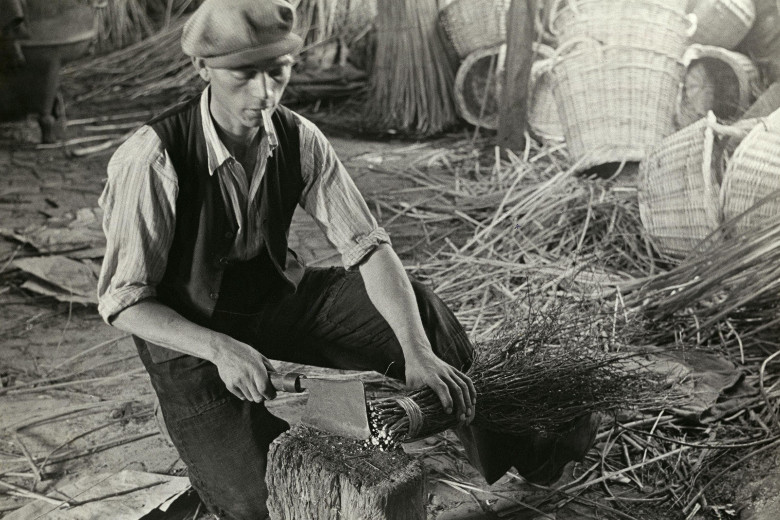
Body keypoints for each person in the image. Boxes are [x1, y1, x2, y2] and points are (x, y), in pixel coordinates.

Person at [98, 1, 597, 518]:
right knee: (259, 498)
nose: (264, 93)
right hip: (191, 335)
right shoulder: (154, 157)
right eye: (243, 76)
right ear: (203, 69)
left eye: (278, 73)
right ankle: (199, 430)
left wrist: (416, 351)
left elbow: (367, 246)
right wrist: (220, 349)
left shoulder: (296, 136)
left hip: (275, 297)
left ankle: (527, 450)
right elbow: (124, 301)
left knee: (423, 315)